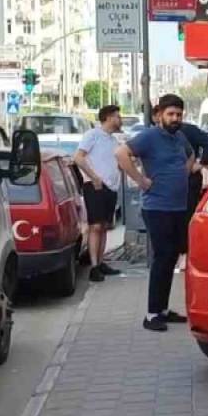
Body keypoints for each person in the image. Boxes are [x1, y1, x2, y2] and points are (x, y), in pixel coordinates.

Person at [116, 94, 194, 332]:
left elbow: (191, 154)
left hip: (178, 206)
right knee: (162, 257)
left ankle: (163, 309)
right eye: (170, 114)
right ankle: (151, 315)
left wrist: (184, 172)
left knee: (171, 257)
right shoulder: (149, 136)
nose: (175, 118)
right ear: (159, 115)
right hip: (157, 207)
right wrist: (141, 180)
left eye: (178, 114)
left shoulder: (179, 137)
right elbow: (121, 154)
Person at [74, 104, 125, 283]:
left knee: (104, 226)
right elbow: (78, 157)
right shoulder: (92, 135)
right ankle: (94, 266)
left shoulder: (113, 141)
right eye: (118, 116)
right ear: (109, 117)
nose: (120, 120)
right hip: (95, 187)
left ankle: (101, 262)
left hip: (111, 188)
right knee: (95, 226)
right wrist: (94, 177)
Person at [178, 112, 208, 272]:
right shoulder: (157, 134)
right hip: (169, 182)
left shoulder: (189, 130)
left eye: (176, 114)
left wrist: (201, 164)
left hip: (190, 181)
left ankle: (185, 252)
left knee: (187, 217)